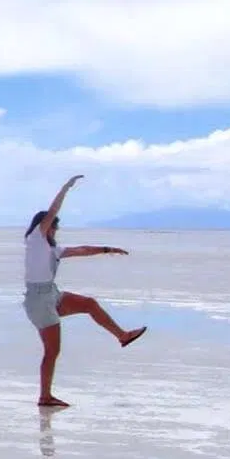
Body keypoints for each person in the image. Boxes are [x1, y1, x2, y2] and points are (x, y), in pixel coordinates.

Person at [24, 175, 147, 408]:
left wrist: (106, 249)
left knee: (89, 304)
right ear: (46, 227)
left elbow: (81, 250)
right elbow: (51, 211)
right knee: (52, 351)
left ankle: (123, 336)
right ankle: (45, 397)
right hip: (39, 299)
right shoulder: (36, 239)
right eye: (54, 226)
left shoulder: (52, 249)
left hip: (51, 295)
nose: (56, 230)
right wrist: (65, 188)